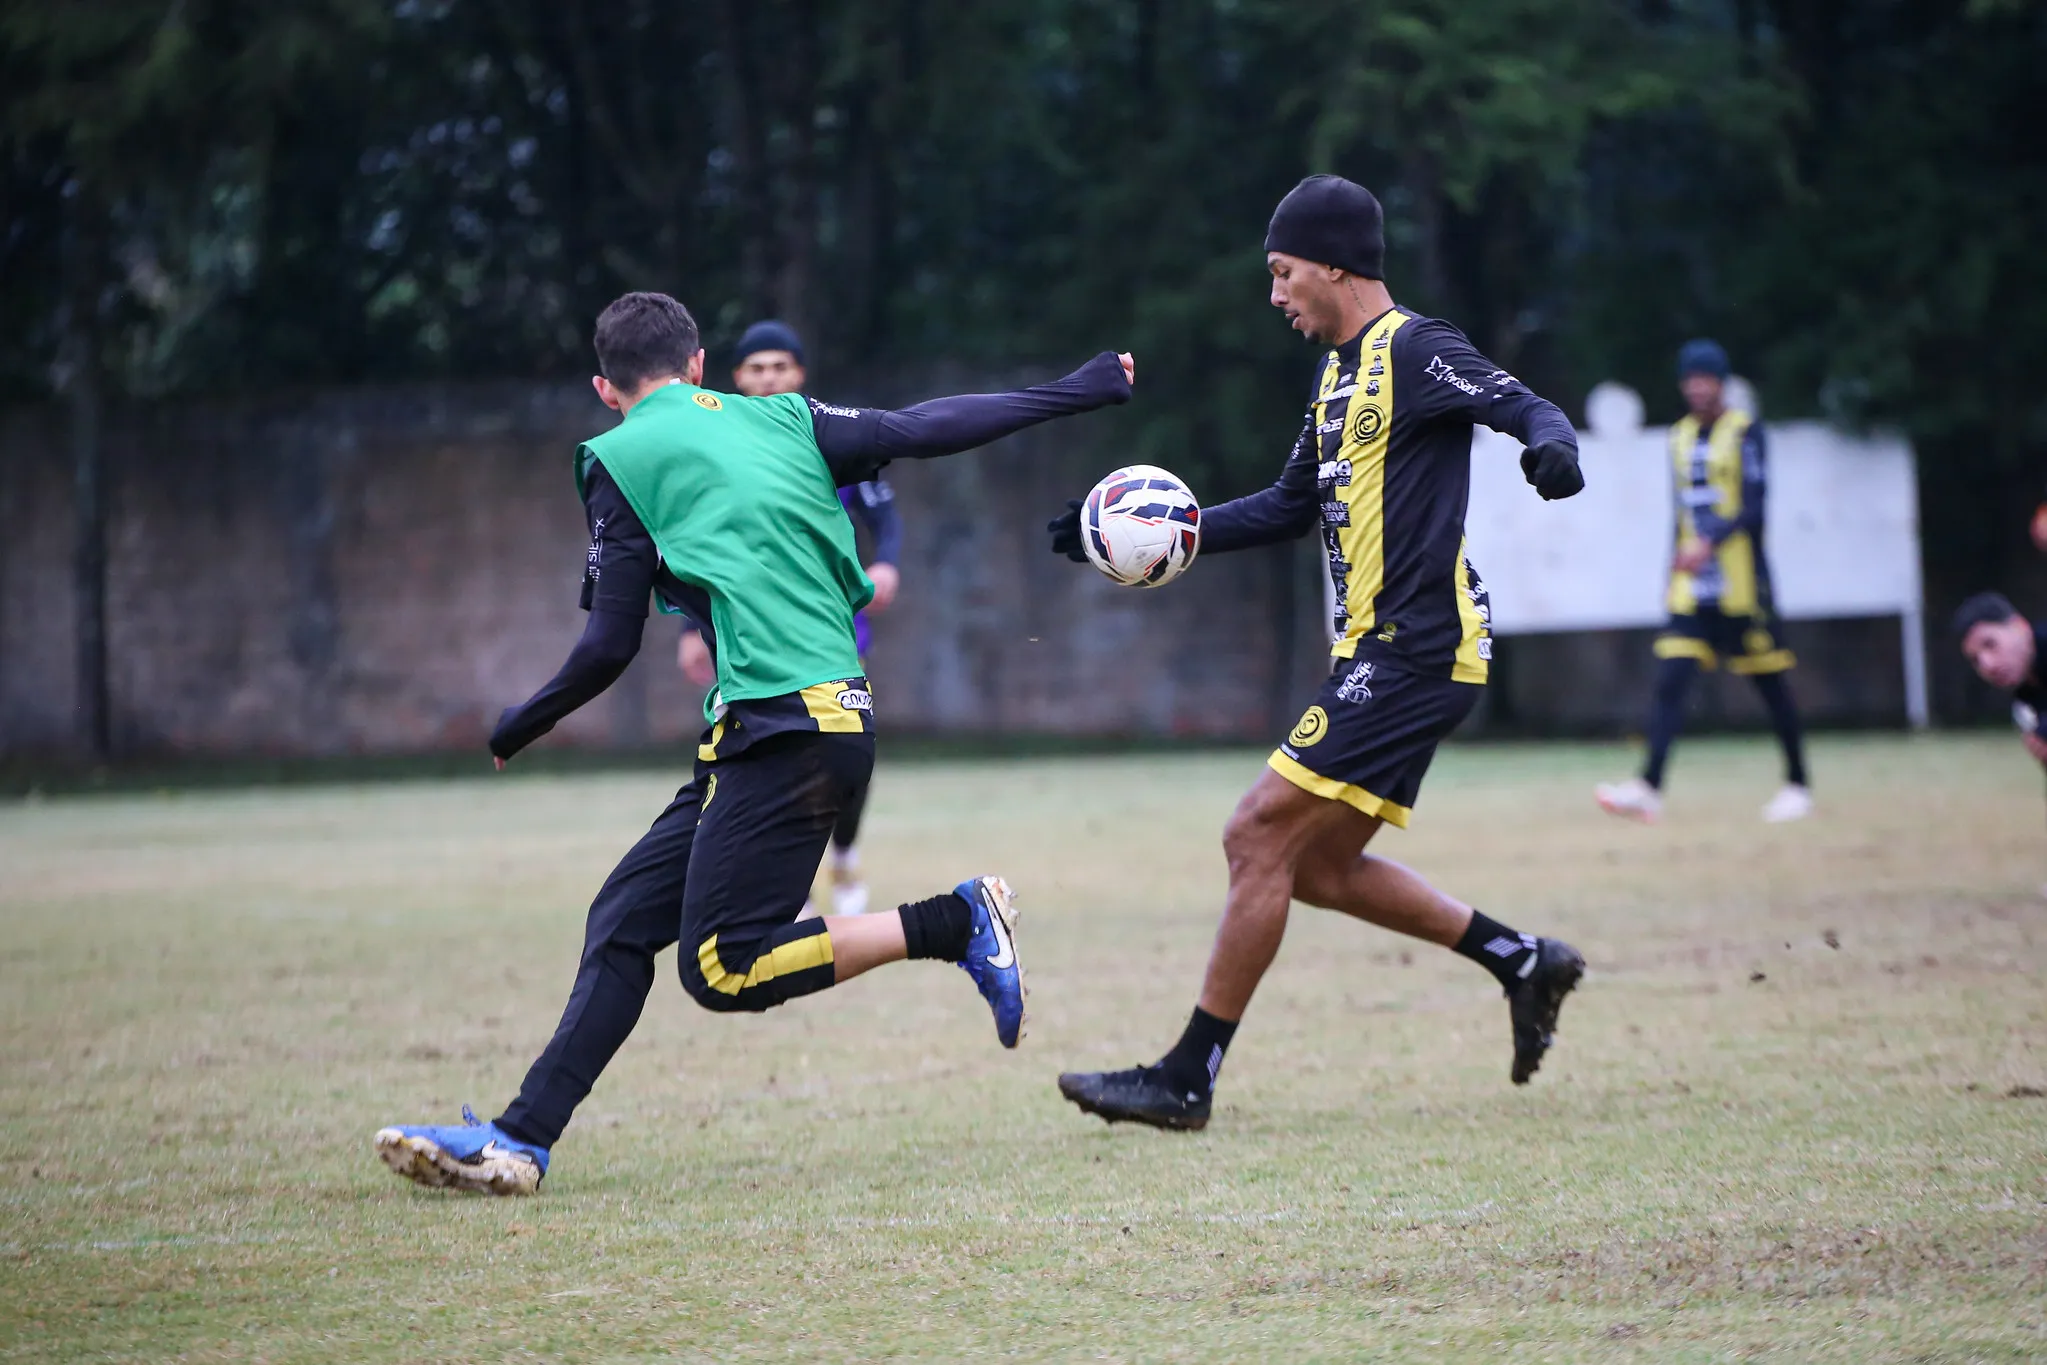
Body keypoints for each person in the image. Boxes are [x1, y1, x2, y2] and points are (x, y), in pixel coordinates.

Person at [375, 292, 1134, 1193]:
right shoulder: (786, 417)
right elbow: (929, 426)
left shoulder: (615, 459)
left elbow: (609, 645)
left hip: (791, 728)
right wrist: (1077, 389)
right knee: (622, 921)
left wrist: (520, 721)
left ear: (604, 388)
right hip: (779, 726)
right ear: (699, 365)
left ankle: (958, 918)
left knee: (722, 967)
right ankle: (519, 1141)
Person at [1045, 175, 1587, 1132]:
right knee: (1319, 867)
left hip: (1416, 644)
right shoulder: (1335, 377)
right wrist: (1145, 533)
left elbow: (1524, 405)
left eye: (1283, 272)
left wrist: (1552, 449)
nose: (1275, 294)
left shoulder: (1416, 349)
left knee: (1254, 835)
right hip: (1380, 650)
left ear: (1337, 266)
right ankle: (1521, 960)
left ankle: (1186, 1075)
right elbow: (1288, 507)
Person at [678, 320, 901, 916]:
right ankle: (792, 883)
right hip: (747, 638)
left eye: (781, 367)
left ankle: (846, 855)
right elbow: (695, 546)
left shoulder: (823, 436)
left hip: (830, 634)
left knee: (846, 759)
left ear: (799, 375)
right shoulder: (714, 448)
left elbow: (885, 516)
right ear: (736, 378)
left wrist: (889, 566)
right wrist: (688, 629)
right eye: (757, 368)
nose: (769, 377)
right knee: (769, 759)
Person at [1595, 340, 1812, 825]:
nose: (1697, 387)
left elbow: (1754, 507)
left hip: (1740, 588)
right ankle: (1648, 787)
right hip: (1692, 589)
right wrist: (1674, 567)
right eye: (1689, 379)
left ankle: (1798, 785)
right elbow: (1680, 514)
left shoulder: (1745, 433)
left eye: (1705, 378)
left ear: (1722, 383)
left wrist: (1710, 543)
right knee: (1670, 682)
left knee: (1772, 686)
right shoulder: (1678, 437)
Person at [1954, 593, 2047, 762]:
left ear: (2020, 627)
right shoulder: (2026, 698)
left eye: (1990, 644)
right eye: (1975, 660)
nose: (1987, 665)